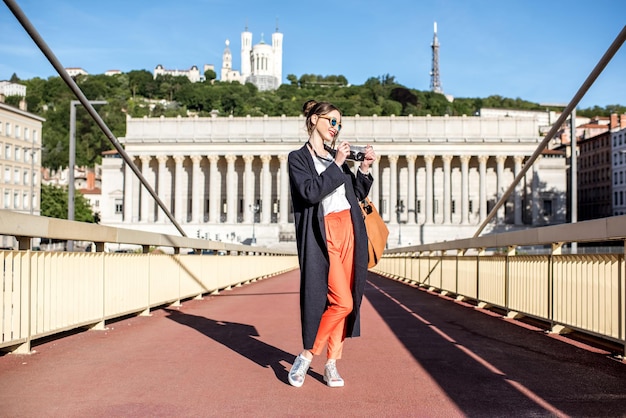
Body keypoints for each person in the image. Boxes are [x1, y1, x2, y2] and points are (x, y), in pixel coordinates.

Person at [287, 100, 376, 388]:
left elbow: (355, 194)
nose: (335, 127)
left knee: (347, 298)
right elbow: (310, 192)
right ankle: (306, 354)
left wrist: (362, 169)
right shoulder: (298, 158)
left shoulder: (333, 157)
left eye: (339, 123)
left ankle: (331, 364)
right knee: (342, 302)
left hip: (349, 229)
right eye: (331, 121)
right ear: (314, 120)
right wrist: (337, 163)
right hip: (322, 232)